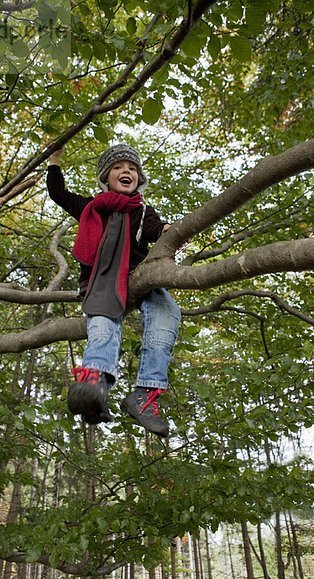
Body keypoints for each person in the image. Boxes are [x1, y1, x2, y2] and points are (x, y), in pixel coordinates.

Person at [47, 143, 181, 437]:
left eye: (132, 169)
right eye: (119, 167)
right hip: (102, 280)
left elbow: (157, 230)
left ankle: (145, 393)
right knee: (104, 323)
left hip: (138, 277)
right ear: (106, 177)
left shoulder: (143, 211)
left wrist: (169, 232)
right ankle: (95, 378)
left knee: (167, 311)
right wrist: (54, 160)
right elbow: (58, 194)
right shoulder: (92, 207)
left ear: (139, 178)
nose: (127, 172)